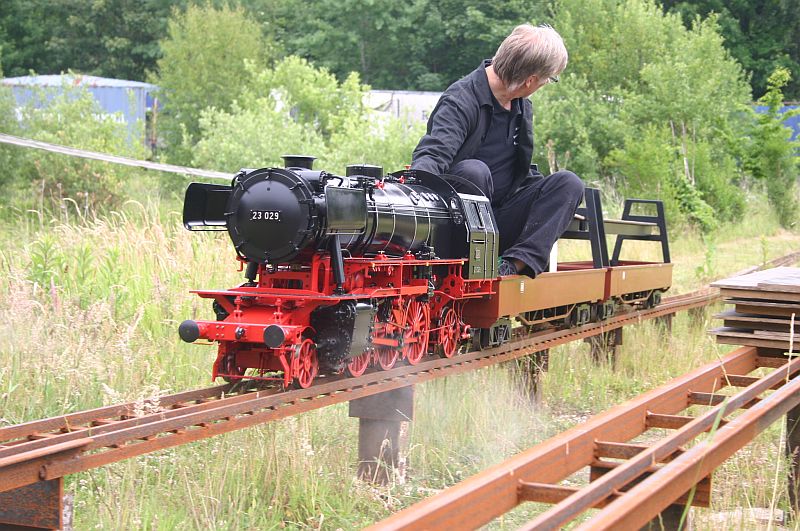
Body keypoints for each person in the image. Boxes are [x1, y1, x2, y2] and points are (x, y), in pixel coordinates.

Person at [411, 24, 585, 277]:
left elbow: (517, 170)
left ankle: (512, 266)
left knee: (568, 183)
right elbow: (433, 154)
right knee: (474, 170)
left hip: (500, 217)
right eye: (549, 79)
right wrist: (412, 196)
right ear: (530, 80)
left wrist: (552, 200)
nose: (546, 84)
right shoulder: (460, 100)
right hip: (457, 227)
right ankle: (471, 267)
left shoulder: (521, 105)